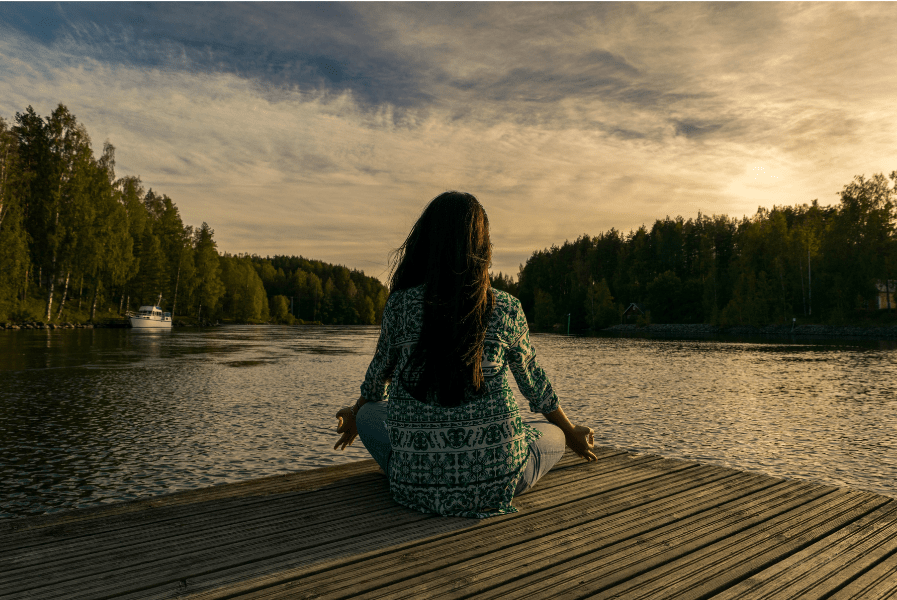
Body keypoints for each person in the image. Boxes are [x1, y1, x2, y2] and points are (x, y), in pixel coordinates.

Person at [333, 191, 596, 518]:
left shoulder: (400, 306)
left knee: (371, 413)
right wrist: (572, 433)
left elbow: (375, 384)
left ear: (426, 243)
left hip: (415, 487)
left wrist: (356, 414)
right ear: (483, 248)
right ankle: (509, 457)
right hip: (499, 482)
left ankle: (414, 468)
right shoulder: (507, 308)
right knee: (551, 433)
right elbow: (535, 387)